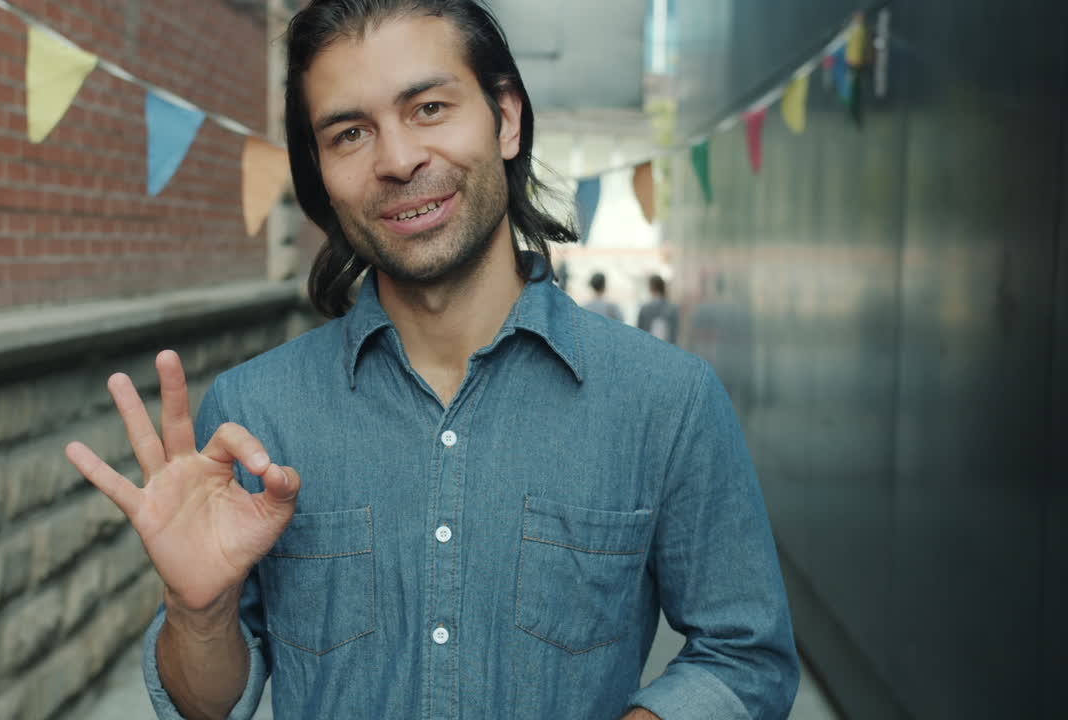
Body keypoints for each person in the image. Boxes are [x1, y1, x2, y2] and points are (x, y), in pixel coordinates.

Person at [64, 2, 799, 719]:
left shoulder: (666, 400)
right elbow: (207, 705)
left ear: (505, 118)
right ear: (319, 172)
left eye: (429, 109)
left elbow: (744, 656)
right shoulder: (251, 417)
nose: (398, 159)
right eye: (350, 133)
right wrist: (199, 614)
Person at [637, 274, 680, 343]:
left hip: (648, 346)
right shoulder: (673, 309)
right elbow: (674, 334)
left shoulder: (645, 309)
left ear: (651, 288)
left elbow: (639, 333)